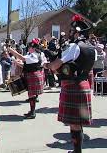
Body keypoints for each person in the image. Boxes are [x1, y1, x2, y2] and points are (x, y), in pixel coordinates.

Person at [45, 14, 96, 153]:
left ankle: (77, 151)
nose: (70, 33)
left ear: (77, 32)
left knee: (74, 123)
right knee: (78, 123)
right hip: (84, 84)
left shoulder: (74, 46)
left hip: (73, 86)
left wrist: (49, 66)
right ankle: (77, 149)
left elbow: (56, 65)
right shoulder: (92, 48)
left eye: (72, 31)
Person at [8, 38, 45, 119]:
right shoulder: (32, 54)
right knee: (31, 94)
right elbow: (25, 63)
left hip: (33, 76)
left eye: (29, 47)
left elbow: (22, 58)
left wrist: (11, 50)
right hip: (32, 75)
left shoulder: (34, 55)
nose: (28, 48)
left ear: (33, 48)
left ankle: (33, 112)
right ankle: (32, 111)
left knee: (31, 94)